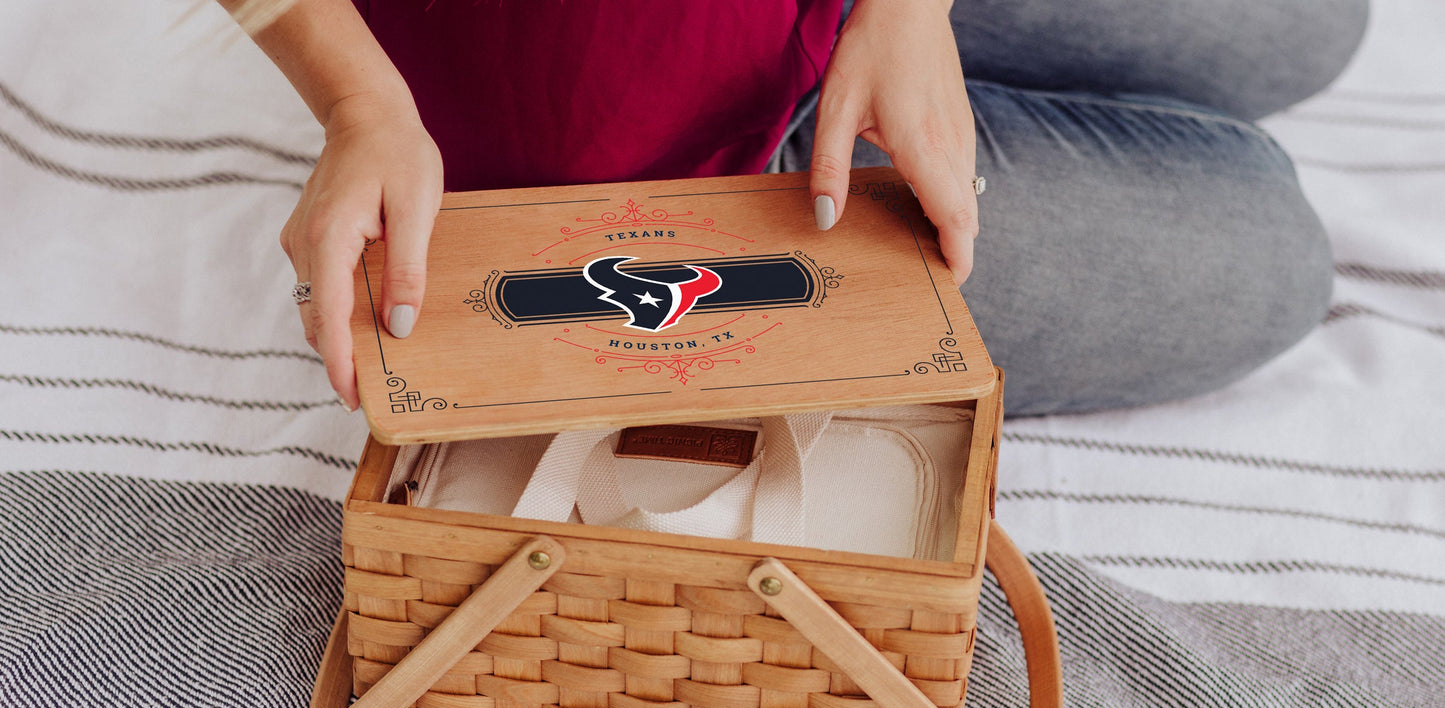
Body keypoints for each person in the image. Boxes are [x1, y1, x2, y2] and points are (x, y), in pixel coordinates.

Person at [223, 0, 1367, 416]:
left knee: (1309, 18)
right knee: (1268, 252)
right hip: (633, 149)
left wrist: (911, 11)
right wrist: (360, 98)